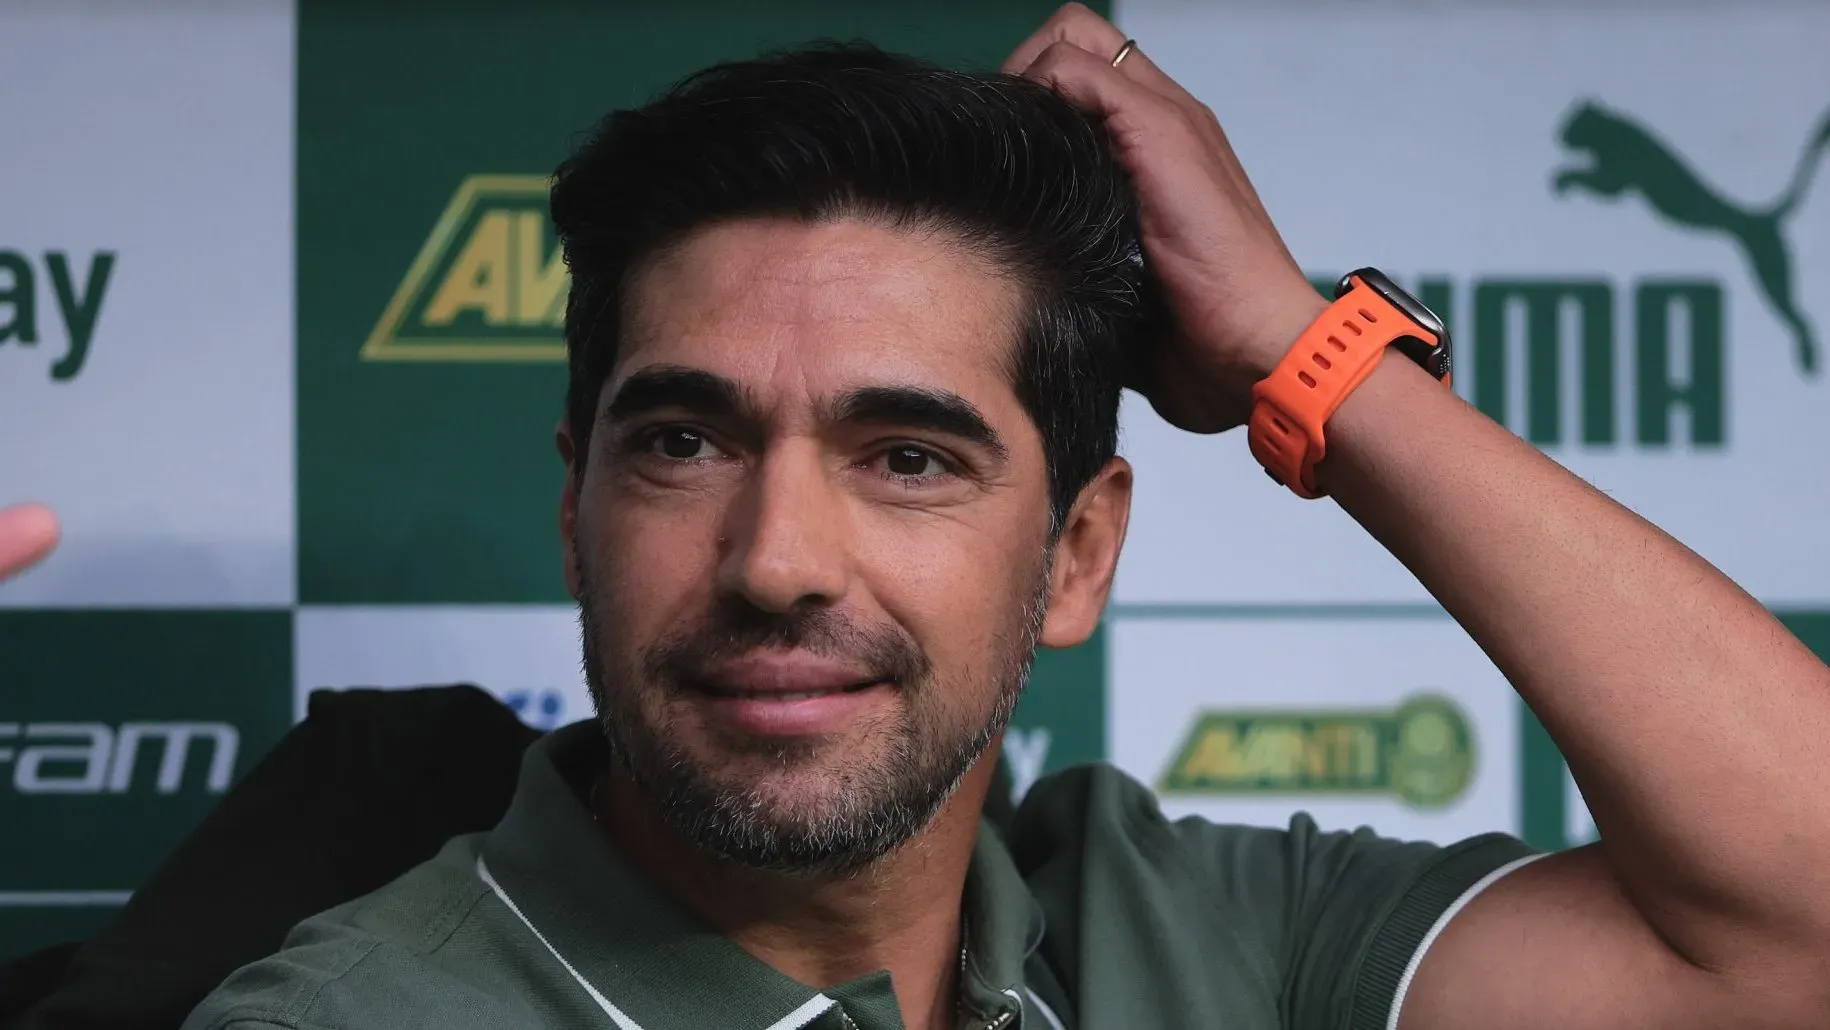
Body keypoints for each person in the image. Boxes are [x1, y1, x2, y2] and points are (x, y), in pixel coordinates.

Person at [6, 4, 1827, 1028]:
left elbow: (1791, 931)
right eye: (684, 442)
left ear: (1081, 552)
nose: (779, 556)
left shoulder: (1192, 936)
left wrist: (1306, 352)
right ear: (575, 509)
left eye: (909, 454)